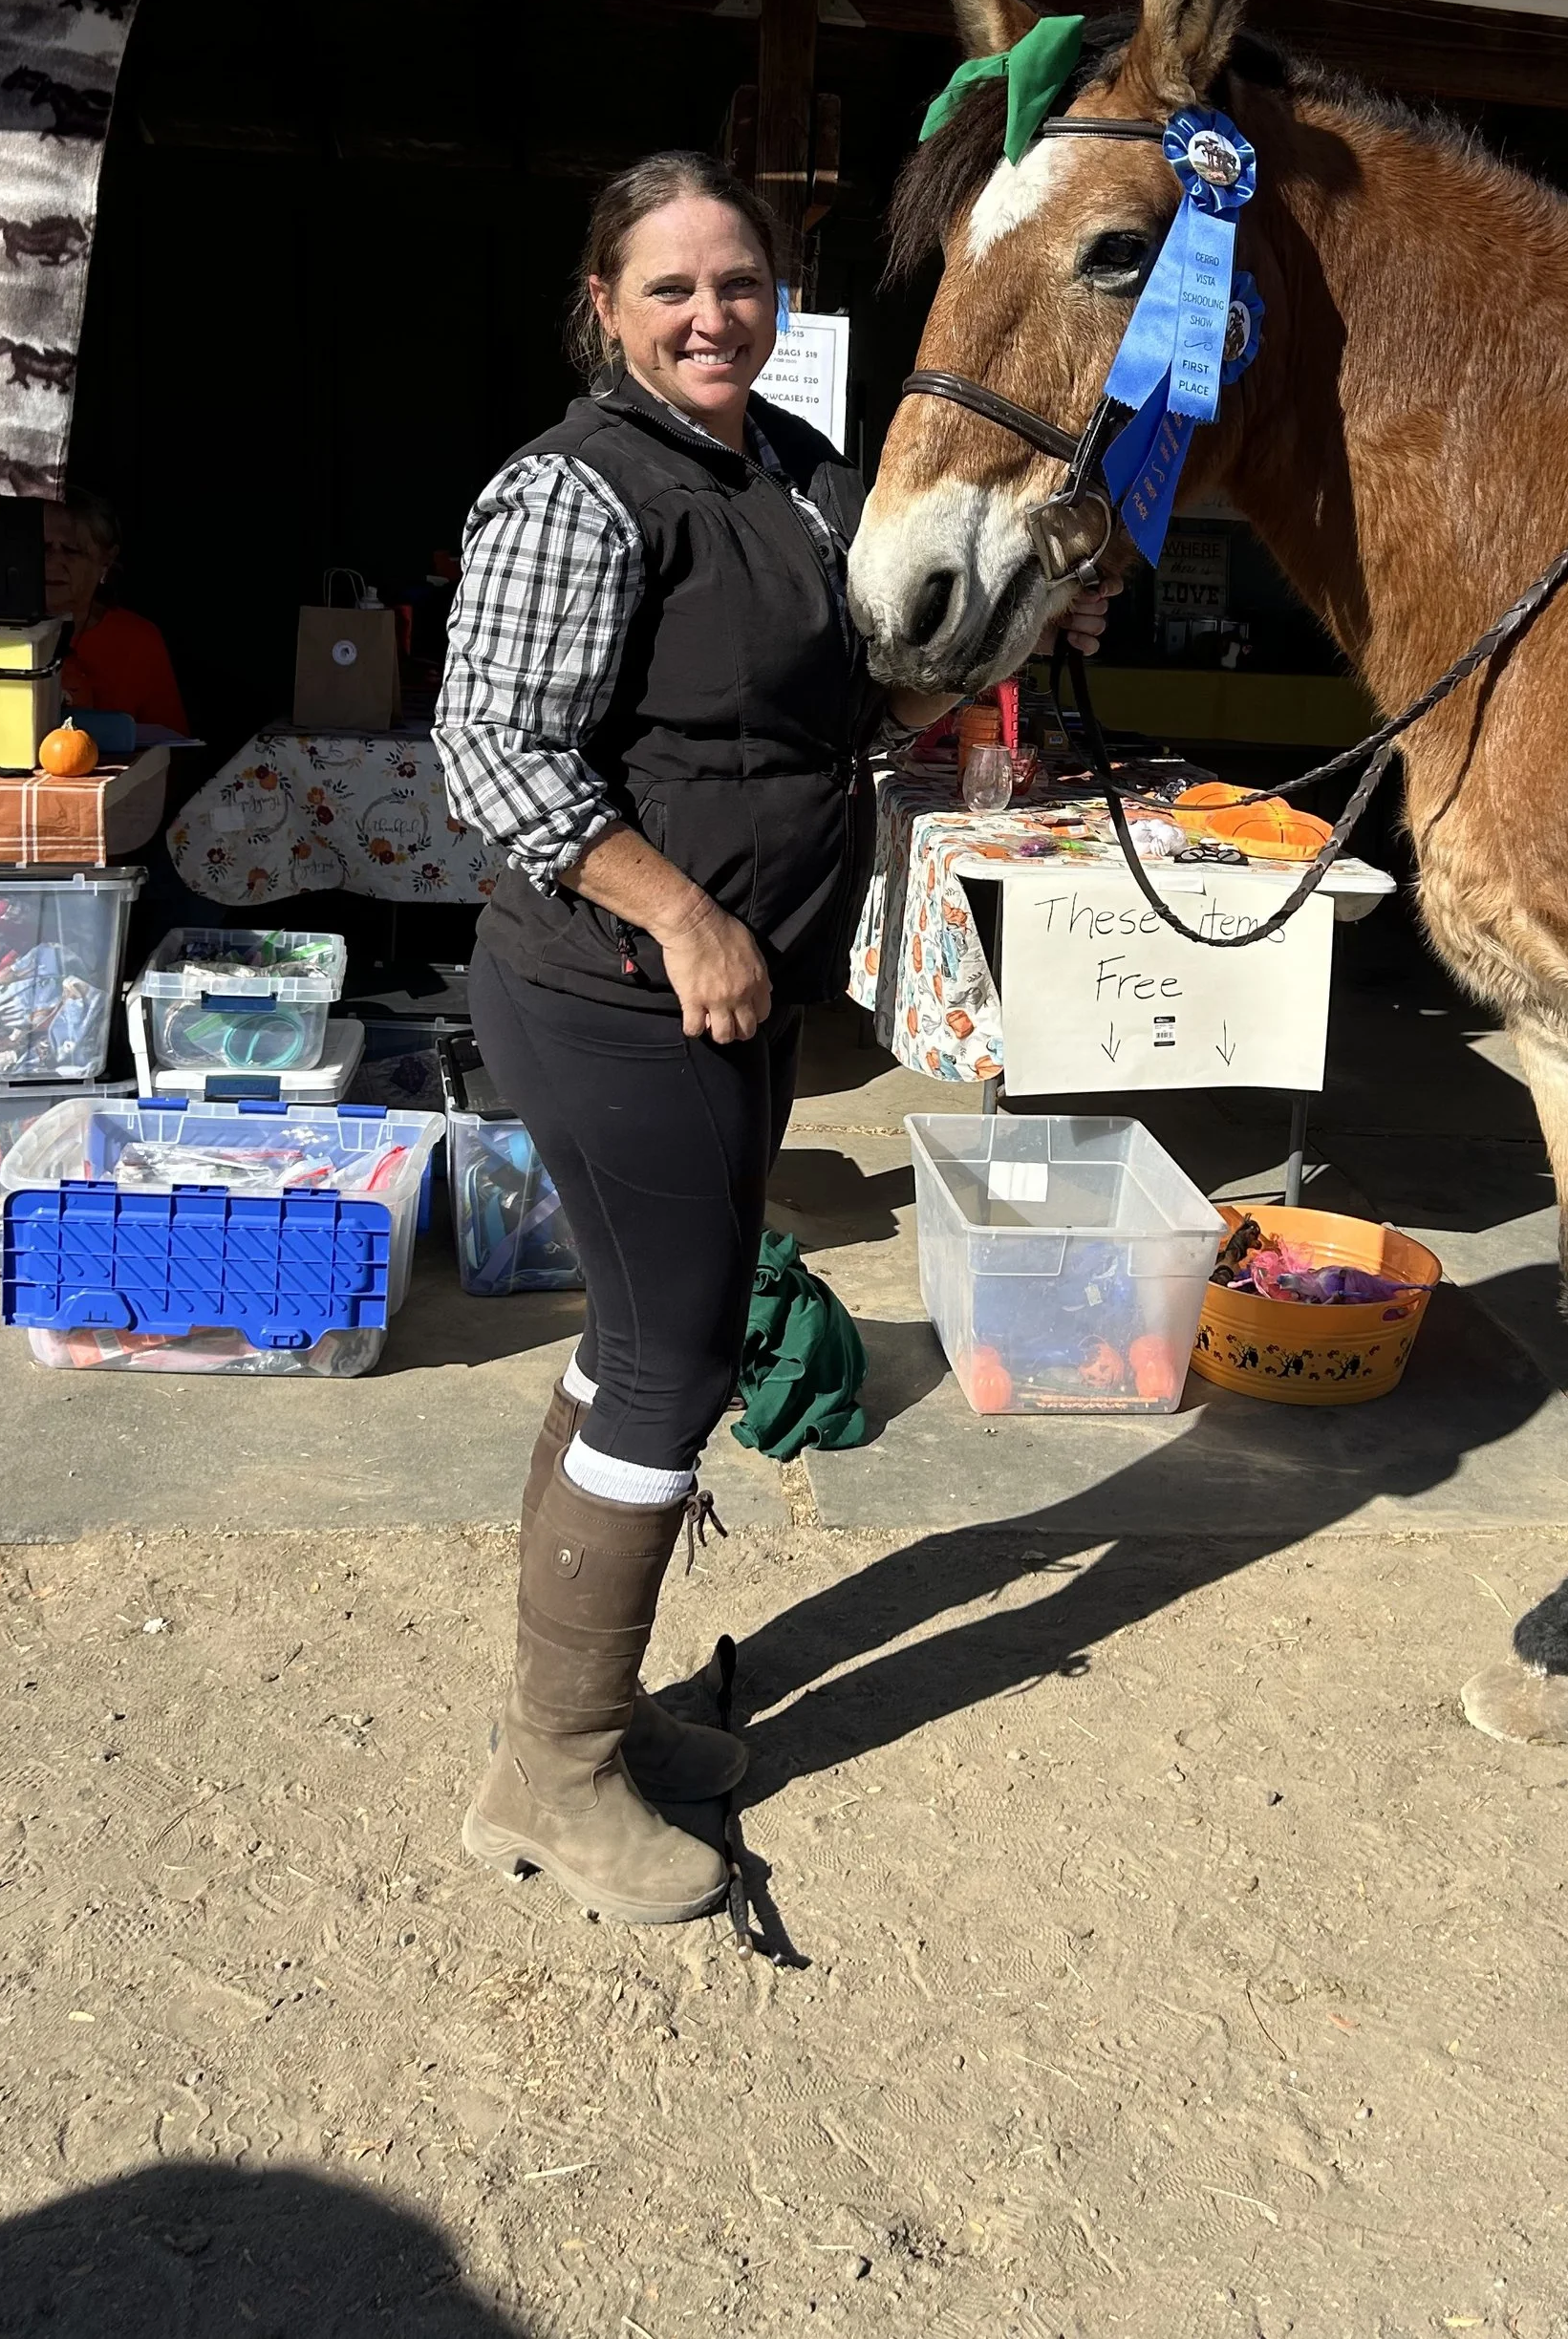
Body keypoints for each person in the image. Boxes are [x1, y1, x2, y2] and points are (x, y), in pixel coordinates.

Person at [436, 152, 1113, 1926]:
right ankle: (553, 1776)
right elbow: (494, 751)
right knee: (671, 1356)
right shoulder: (575, 493)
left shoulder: (808, 478)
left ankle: (587, 1715)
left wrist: (1029, 614)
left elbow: (867, 697)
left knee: (648, 1338)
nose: (708, 313)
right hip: (607, 988)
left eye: (736, 283)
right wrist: (678, 906)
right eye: (668, 287)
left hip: (736, 989)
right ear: (606, 307)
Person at [47, 490, 189, 732]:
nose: (51, 562)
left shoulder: (137, 640)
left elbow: (171, 749)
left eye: (71, 550)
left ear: (106, 560)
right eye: (42, 547)